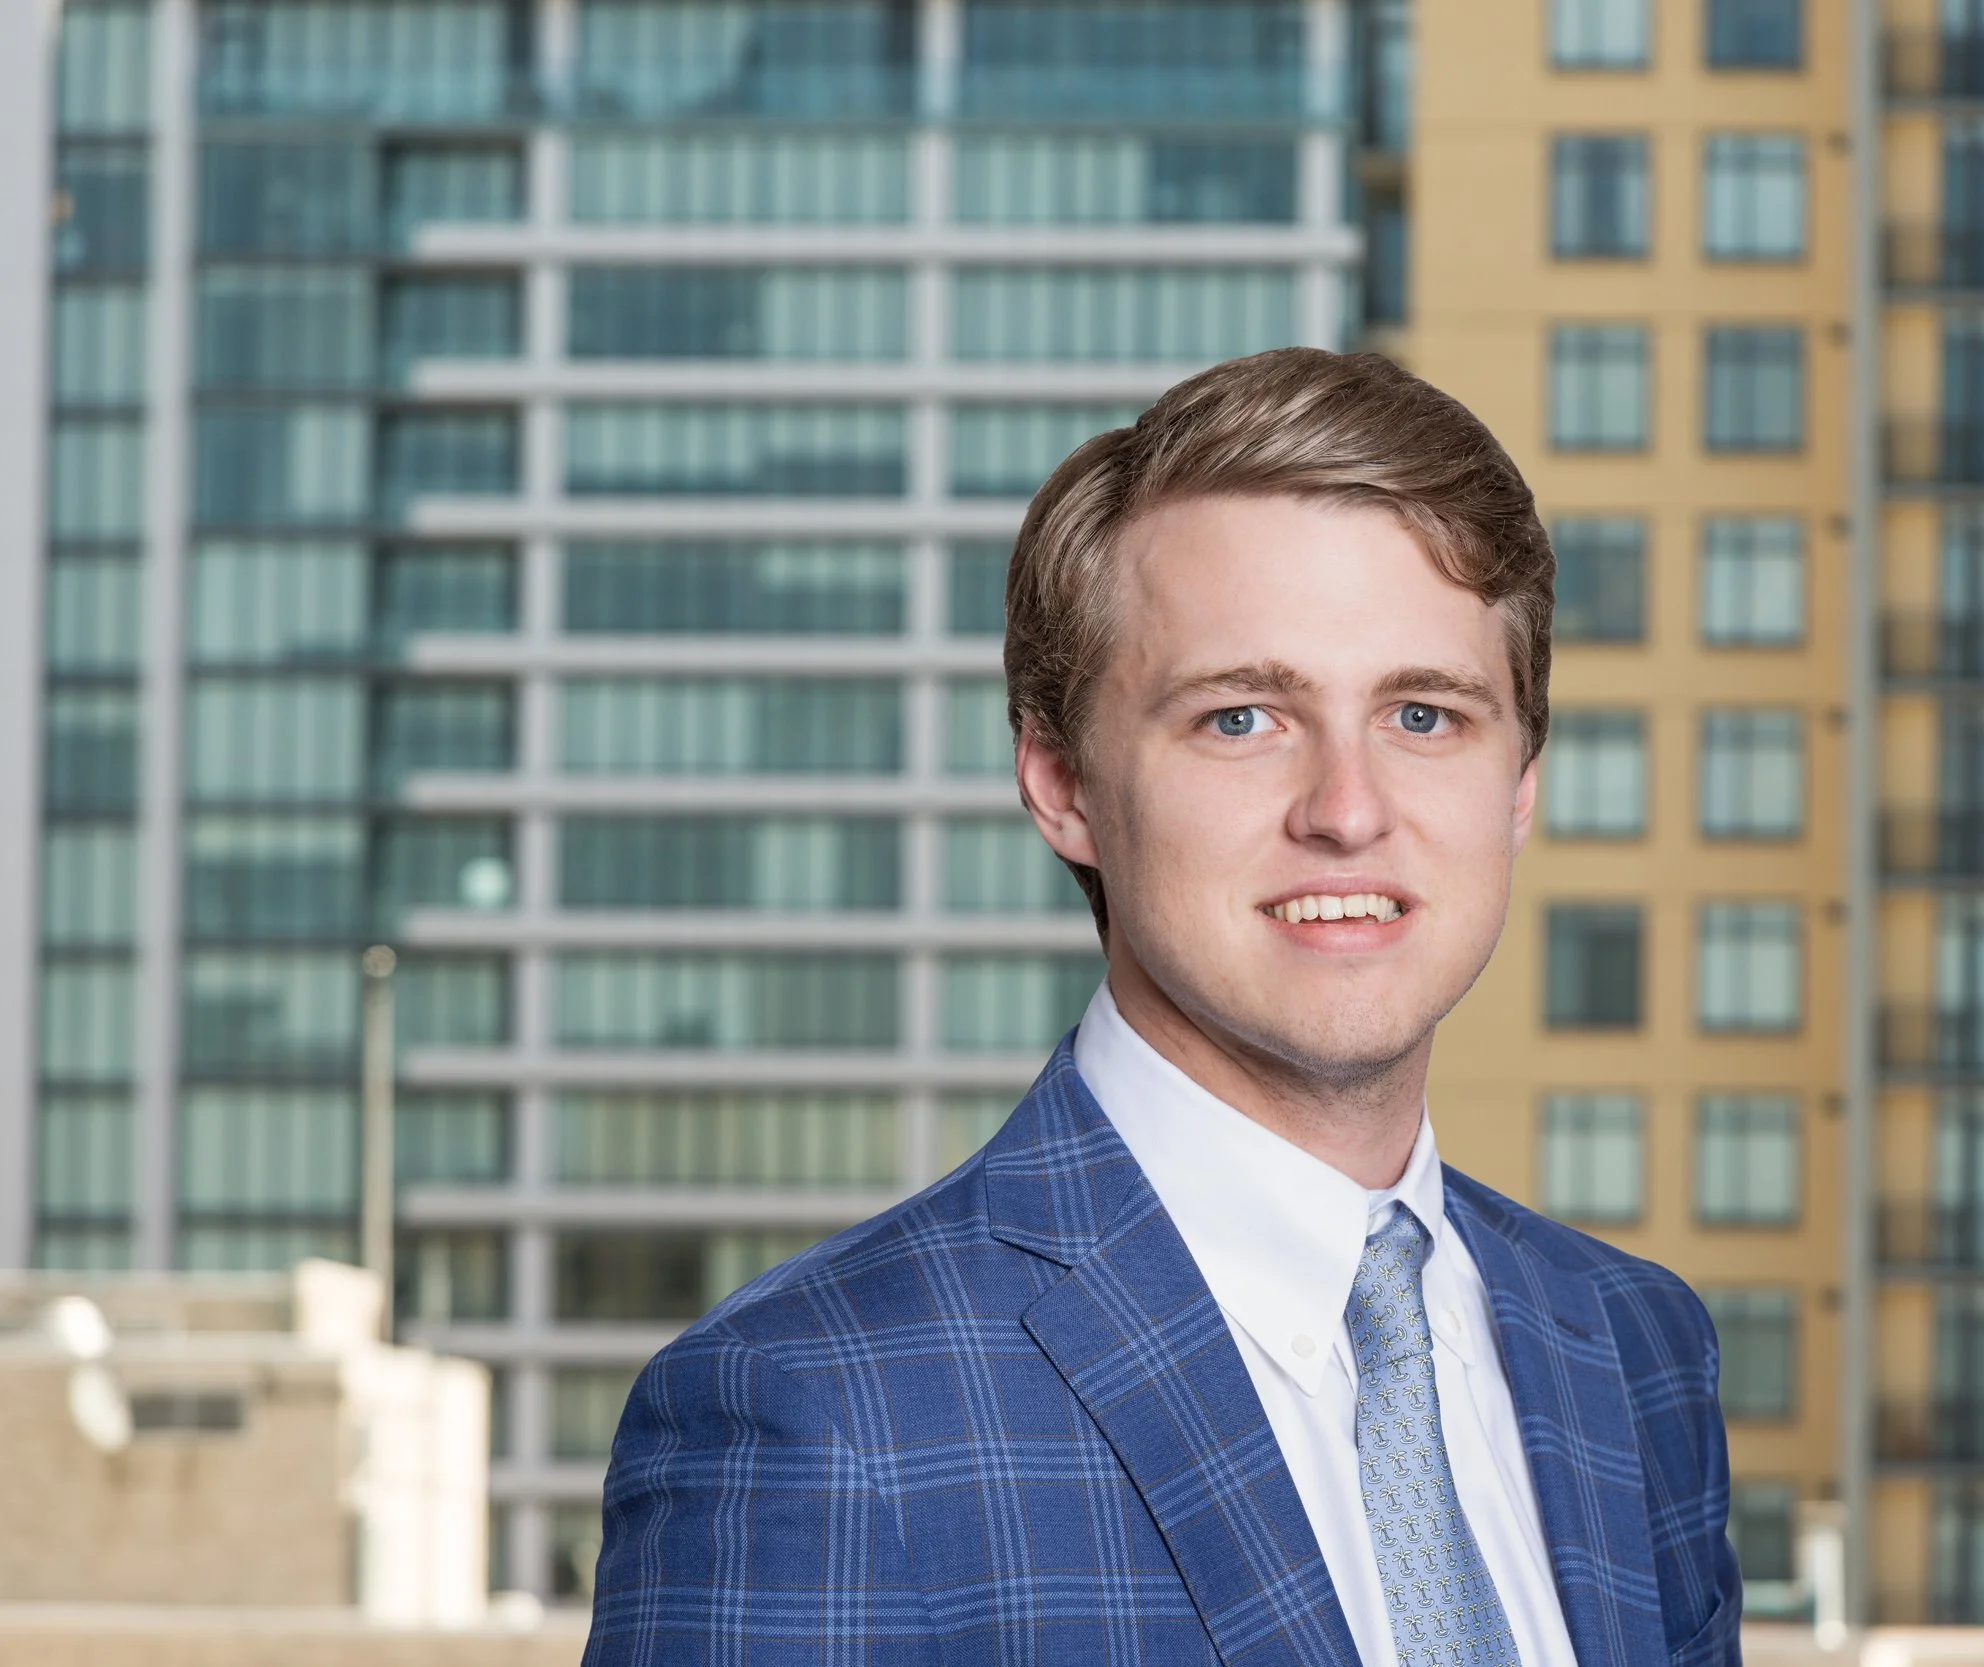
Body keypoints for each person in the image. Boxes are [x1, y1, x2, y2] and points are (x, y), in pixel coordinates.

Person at [585, 348, 1743, 1665]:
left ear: (1520, 785)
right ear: (1063, 784)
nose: (1348, 809)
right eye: (1242, 718)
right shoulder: (816, 1411)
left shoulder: (1633, 1352)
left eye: (1424, 716)